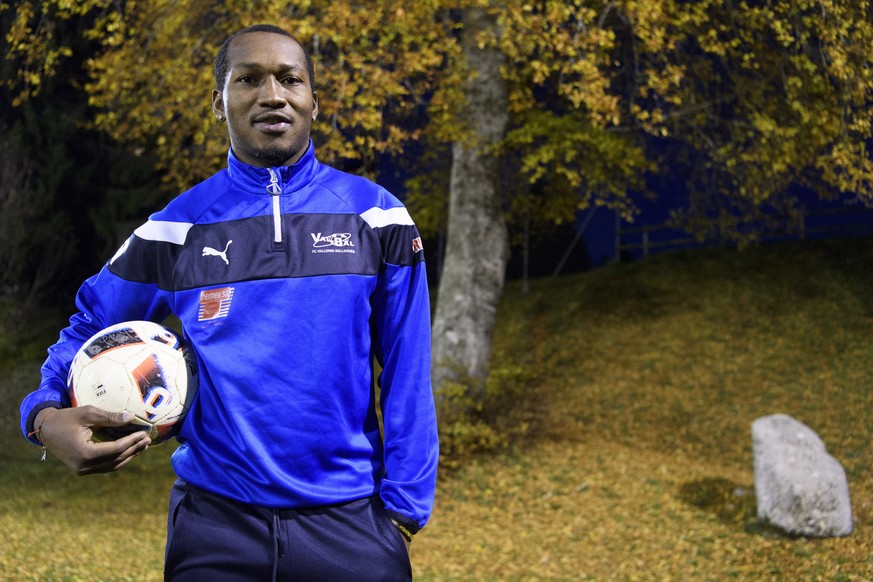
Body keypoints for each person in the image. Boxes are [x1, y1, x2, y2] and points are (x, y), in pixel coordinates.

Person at [19, 23, 438, 582]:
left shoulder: (378, 218)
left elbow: (409, 369)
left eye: (290, 79)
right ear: (219, 103)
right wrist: (44, 418)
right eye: (249, 79)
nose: (273, 94)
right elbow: (89, 323)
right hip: (215, 527)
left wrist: (403, 513)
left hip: (351, 528)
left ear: (314, 100)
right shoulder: (175, 229)